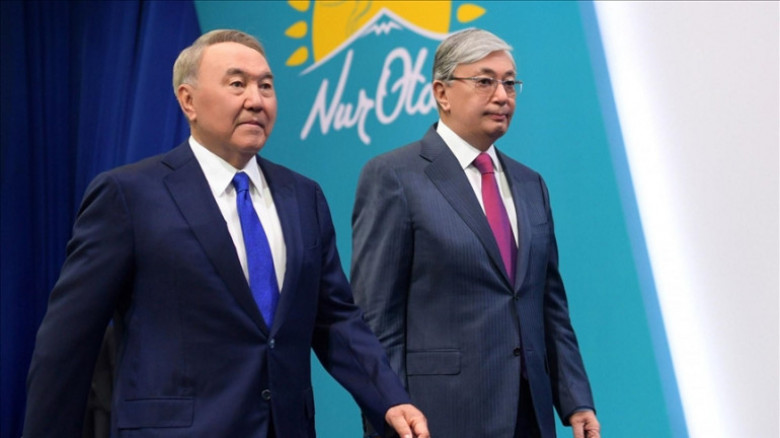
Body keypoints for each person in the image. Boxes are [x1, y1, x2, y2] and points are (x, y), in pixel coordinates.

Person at [24, 29, 429, 438]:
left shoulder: (303, 196)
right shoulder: (129, 195)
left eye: (266, 86)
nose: (256, 100)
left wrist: (389, 398)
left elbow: (336, 319)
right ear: (188, 101)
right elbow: (69, 340)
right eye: (237, 84)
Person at [351, 28, 600, 438]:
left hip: (530, 415)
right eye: (485, 81)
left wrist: (576, 400)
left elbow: (549, 305)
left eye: (510, 83)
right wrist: (388, 414)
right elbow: (376, 318)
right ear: (442, 93)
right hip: (440, 418)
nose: (502, 96)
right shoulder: (394, 176)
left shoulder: (530, 184)